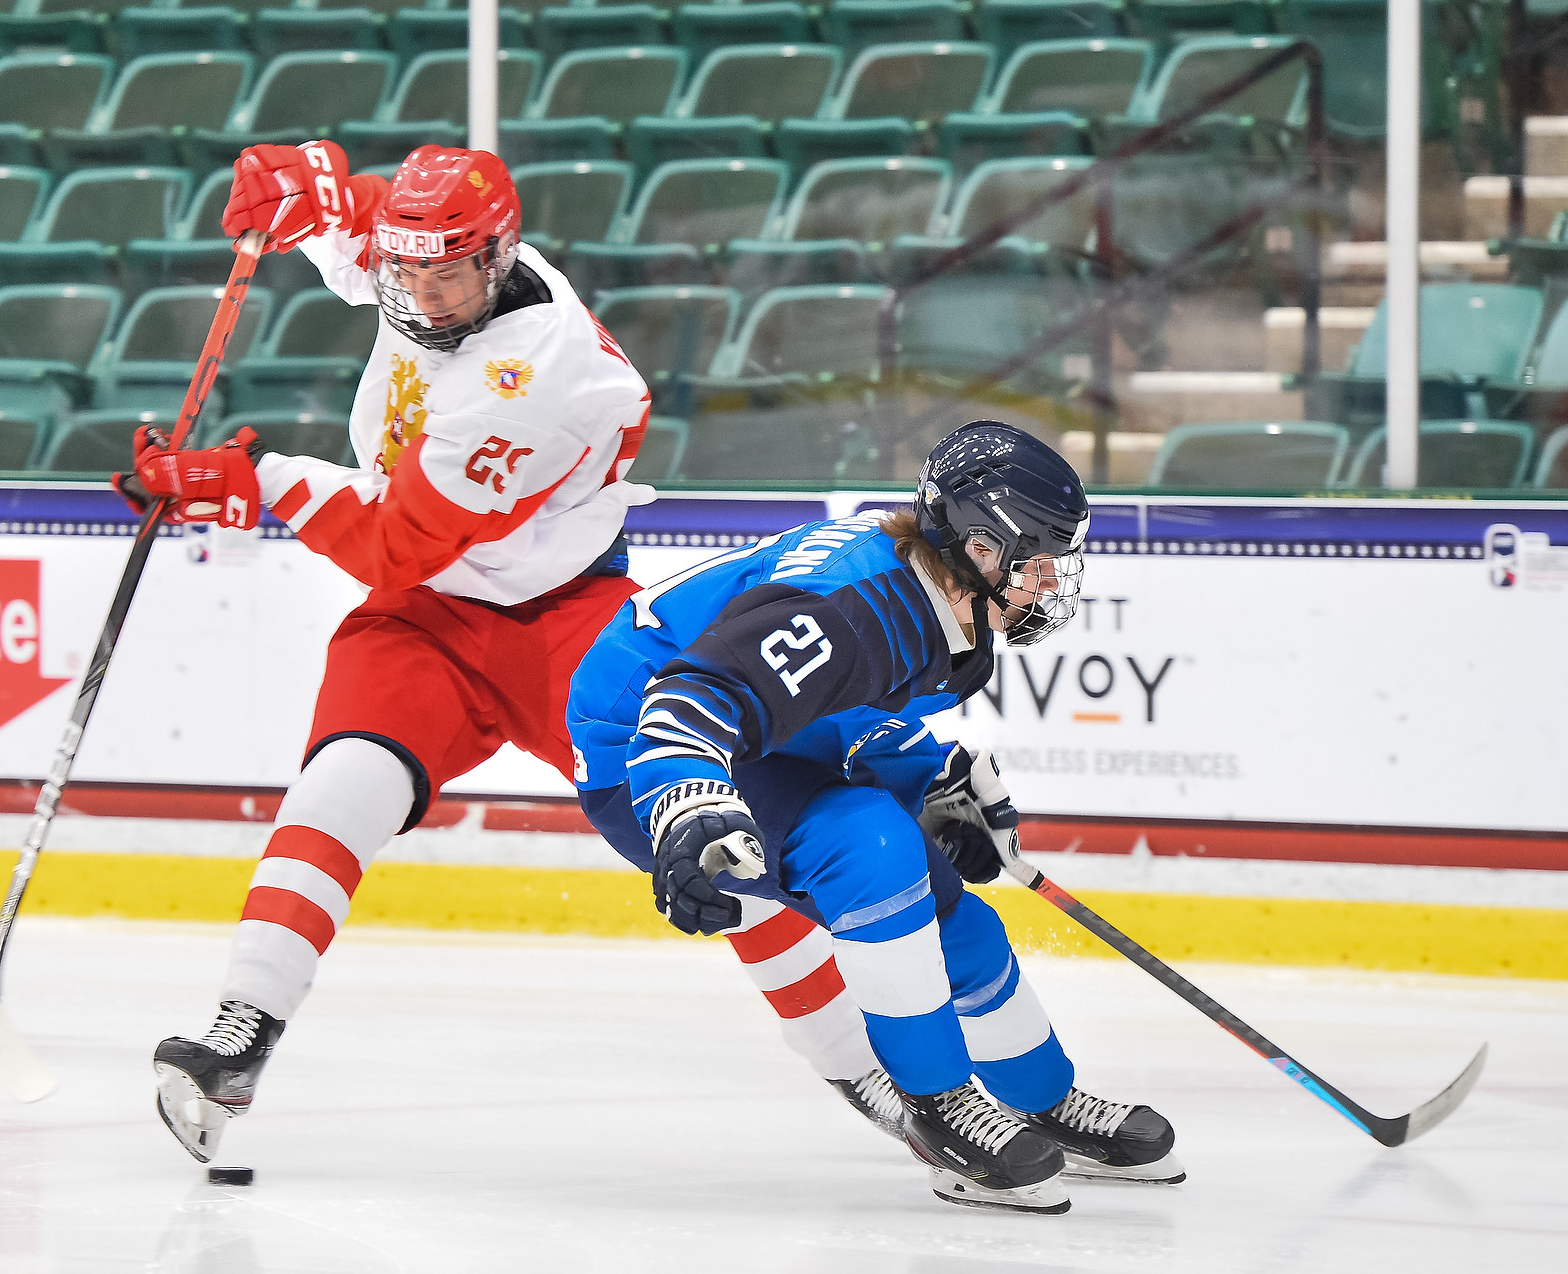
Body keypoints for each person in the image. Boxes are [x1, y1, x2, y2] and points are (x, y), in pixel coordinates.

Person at [126, 141, 893, 1162]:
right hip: (425, 619)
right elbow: (369, 227)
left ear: (496, 260)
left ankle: (875, 1070)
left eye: (449, 275)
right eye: (411, 272)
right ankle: (240, 1033)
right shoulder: (430, 267)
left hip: (566, 619)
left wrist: (252, 482)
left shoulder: (532, 377)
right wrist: (309, 193)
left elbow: (397, 540)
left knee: (706, 834)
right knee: (338, 787)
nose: (424, 296)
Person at [566, 420, 1185, 1213]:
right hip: (647, 747)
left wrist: (927, 780)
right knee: (871, 847)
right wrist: (687, 804)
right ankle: (939, 1111)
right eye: (1034, 562)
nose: (1046, 583)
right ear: (980, 547)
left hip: (755, 731)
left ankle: (1044, 1101)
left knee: (958, 921)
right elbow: (695, 698)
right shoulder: (852, 607)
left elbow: (841, 705)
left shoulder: (932, 601)